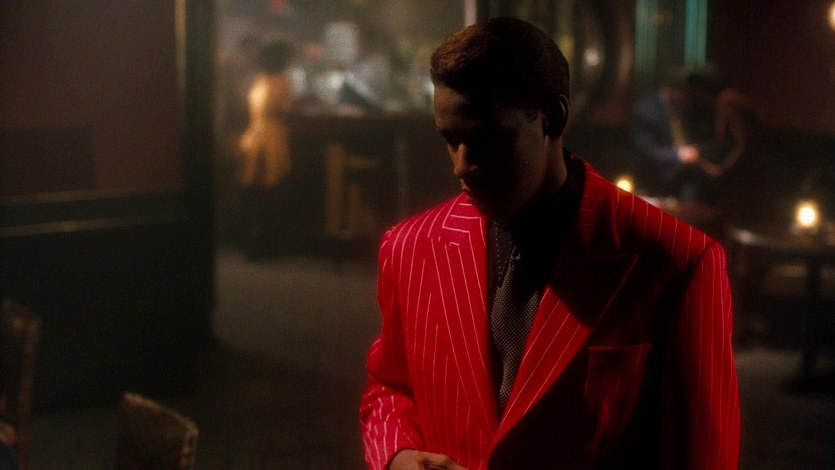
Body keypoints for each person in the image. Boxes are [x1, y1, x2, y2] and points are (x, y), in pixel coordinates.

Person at [360, 17, 740, 470]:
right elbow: (389, 387)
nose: (462, 165)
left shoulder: (678, 261)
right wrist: (398, 456)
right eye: (450, 139)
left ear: (553, 117)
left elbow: (701, 455)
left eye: (486, 138)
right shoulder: (410, 248)